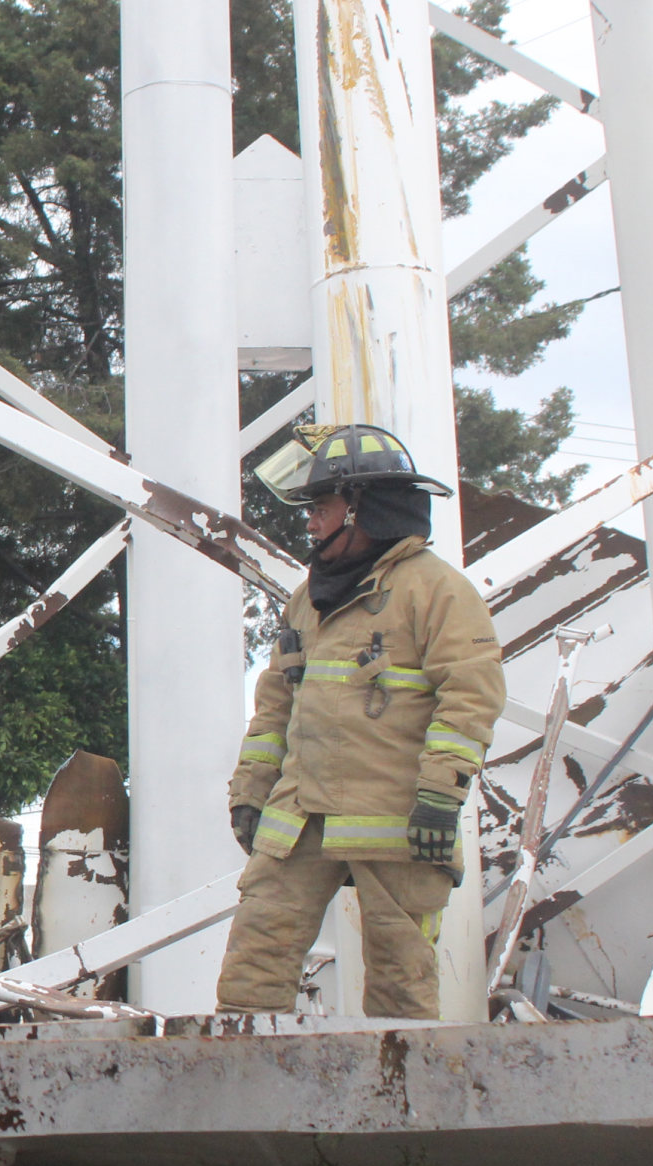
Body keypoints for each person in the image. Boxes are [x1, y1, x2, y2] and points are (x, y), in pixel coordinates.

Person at [214, 425, 503, 1021]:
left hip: (397, 817)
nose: (312, 523)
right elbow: (275, 706)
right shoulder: (307, 599)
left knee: (402, 984)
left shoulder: (437, 591)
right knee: (253, 963)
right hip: (300, 814)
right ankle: (242, 1097)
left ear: (361, 507)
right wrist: (251, 792)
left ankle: (397, 1102)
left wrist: (439, 798)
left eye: (321, 508)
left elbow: (470, 698)